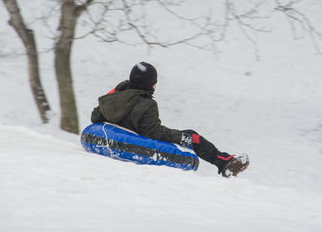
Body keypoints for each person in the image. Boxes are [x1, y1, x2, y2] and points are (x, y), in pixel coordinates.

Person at [91, 62, 249, 177]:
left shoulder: (116, 96)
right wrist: (181, 137)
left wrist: (113, 93)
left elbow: (95, 116)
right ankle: (225, 163)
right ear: (149, 84)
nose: (155, 86)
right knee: (193, 136)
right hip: (140, 139)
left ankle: (225, 162)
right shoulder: (147, 103)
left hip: (122, 133)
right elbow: (154, 133)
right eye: (154, 83)